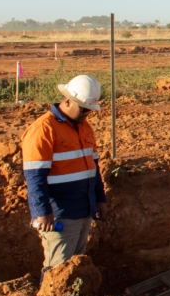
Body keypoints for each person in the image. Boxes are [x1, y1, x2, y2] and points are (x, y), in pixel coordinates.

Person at [22, 74, 108, 273]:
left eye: (89, 110)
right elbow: (35, 177)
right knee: (58, 270)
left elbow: (93, 168)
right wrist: (42, 212)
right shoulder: (43, 129)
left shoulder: (84, 128)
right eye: (83, 109)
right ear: (68, 100)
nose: (87, 114)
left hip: (84, 208)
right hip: (60, 214)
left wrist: (100, 199)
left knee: (76, 265)